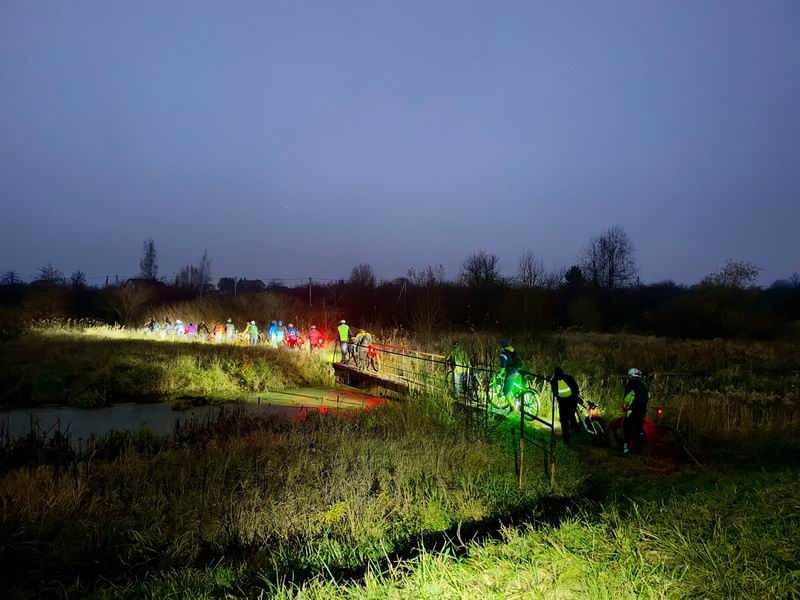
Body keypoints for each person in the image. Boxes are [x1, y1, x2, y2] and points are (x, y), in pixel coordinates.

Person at [550, 367, 584, 445]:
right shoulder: (568, 377)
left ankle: (567, 439)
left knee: (564, 421)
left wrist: (551, 381)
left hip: (563, 403)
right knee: (571, 416)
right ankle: (576, 430)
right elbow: (576, 388)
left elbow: (555, 393)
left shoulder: (554, 381)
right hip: (572, 401)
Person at [623, 368, 649, 455]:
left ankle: (626, 447)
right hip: (643, 411)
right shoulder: (643, 385)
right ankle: (639, 450)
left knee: (626, 427)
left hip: (633, 410)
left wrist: (625, 405)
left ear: (630, 376)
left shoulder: (630, 384)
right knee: (639, 429)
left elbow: (627, 398)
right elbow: (648, 396)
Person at [498, 339, 522, 408]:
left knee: (506, 392)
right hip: (518, 370)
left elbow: (503, 367)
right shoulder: (512, 350)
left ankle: (513, 408)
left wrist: (500, 373)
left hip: (511, 372)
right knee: (513, 387)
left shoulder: (503, 354)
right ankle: (518, 399)